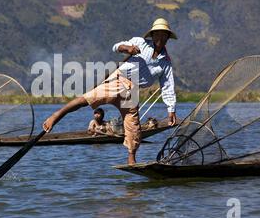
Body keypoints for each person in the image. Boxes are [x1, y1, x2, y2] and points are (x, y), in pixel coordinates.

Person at [43, 18, 178, 164]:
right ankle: (57, 115)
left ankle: (131, 161)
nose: (161, 38)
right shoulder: (140, 43)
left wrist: (171, 111)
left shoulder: (165, 62)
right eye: (158, 35)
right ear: (152, 35)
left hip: (131, 92)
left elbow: (167, 86)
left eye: (164, 35)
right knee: (89, 99)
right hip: (119, 81)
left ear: (167, 38)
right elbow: (116, 46)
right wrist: (127, 48)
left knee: (133, 127)